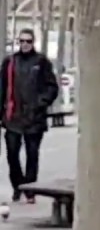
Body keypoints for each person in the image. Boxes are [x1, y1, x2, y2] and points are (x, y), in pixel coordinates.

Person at [0, 29, 60, 205]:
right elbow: (2, 88)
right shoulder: (9, 62)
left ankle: (30, 188)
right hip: (13, 117)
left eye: (28, 41)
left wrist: (40, 104)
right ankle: (18, 186)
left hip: (34, 118)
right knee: (12, 154)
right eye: (22, 41)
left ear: (33, 42)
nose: (25, 44)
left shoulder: (41, 62)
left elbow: (52, 87)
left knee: (32, 154)